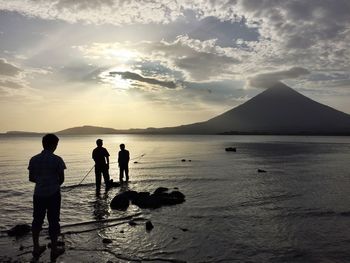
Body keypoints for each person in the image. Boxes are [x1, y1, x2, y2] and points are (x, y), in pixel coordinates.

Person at [28, 134, 66, 261]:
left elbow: (31, 178)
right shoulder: (57, 160)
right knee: (54, 220)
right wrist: (53, 185)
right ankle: (54, 249)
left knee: (37, 220)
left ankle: (36, 247)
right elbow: (62, 179)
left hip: (38, 194)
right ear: (53, 145)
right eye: (56, 144)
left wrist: (42, 182)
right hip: (54, 194)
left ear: (43, 144)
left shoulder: (34, 159)